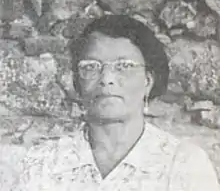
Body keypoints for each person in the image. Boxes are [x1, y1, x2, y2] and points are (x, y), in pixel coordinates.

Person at [11, 15, 219, 191]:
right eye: (91, 66)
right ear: (77, 83)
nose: (106, 78)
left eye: (124, 66)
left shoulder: (184, 165)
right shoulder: (43, 163)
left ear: (148, 81)